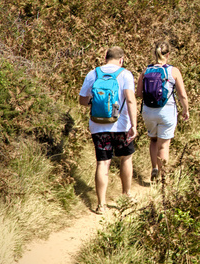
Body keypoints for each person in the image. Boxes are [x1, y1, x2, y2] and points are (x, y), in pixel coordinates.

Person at [78, 46, 137, 214]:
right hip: (121, 125)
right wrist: (134, 125)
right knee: (126, 159)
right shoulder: (125, 74)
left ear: (105, 58)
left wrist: (96, 102)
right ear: (121, 60)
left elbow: (82, 100)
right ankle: (126, 195)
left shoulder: (93, 74)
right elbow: (131, 101)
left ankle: (101, 204)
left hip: (98, 125)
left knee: (103, 162)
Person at [136, 41, 190, 184]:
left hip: (148, 111)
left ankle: (154, 167)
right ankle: (163, 176)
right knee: (164, 145)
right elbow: (182, 95)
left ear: (155, 53)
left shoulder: (146, 71)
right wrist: (185, 110)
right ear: (168, 54)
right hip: (167, 111)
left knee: (153, 140)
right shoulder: (174, 71)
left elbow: (138, 93)